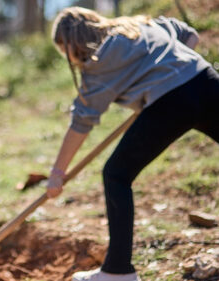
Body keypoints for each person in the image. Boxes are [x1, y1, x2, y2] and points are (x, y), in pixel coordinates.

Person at [47, 7, 219, 281]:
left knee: (116, 174)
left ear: (71, 44)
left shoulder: (98, 62)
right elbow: (189, 35)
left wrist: (57, 173)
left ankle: (117, 272)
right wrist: (163, 71)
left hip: (172, 102)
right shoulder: (139, 26)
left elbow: (81, 122)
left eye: (62, 50)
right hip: (206, 80)